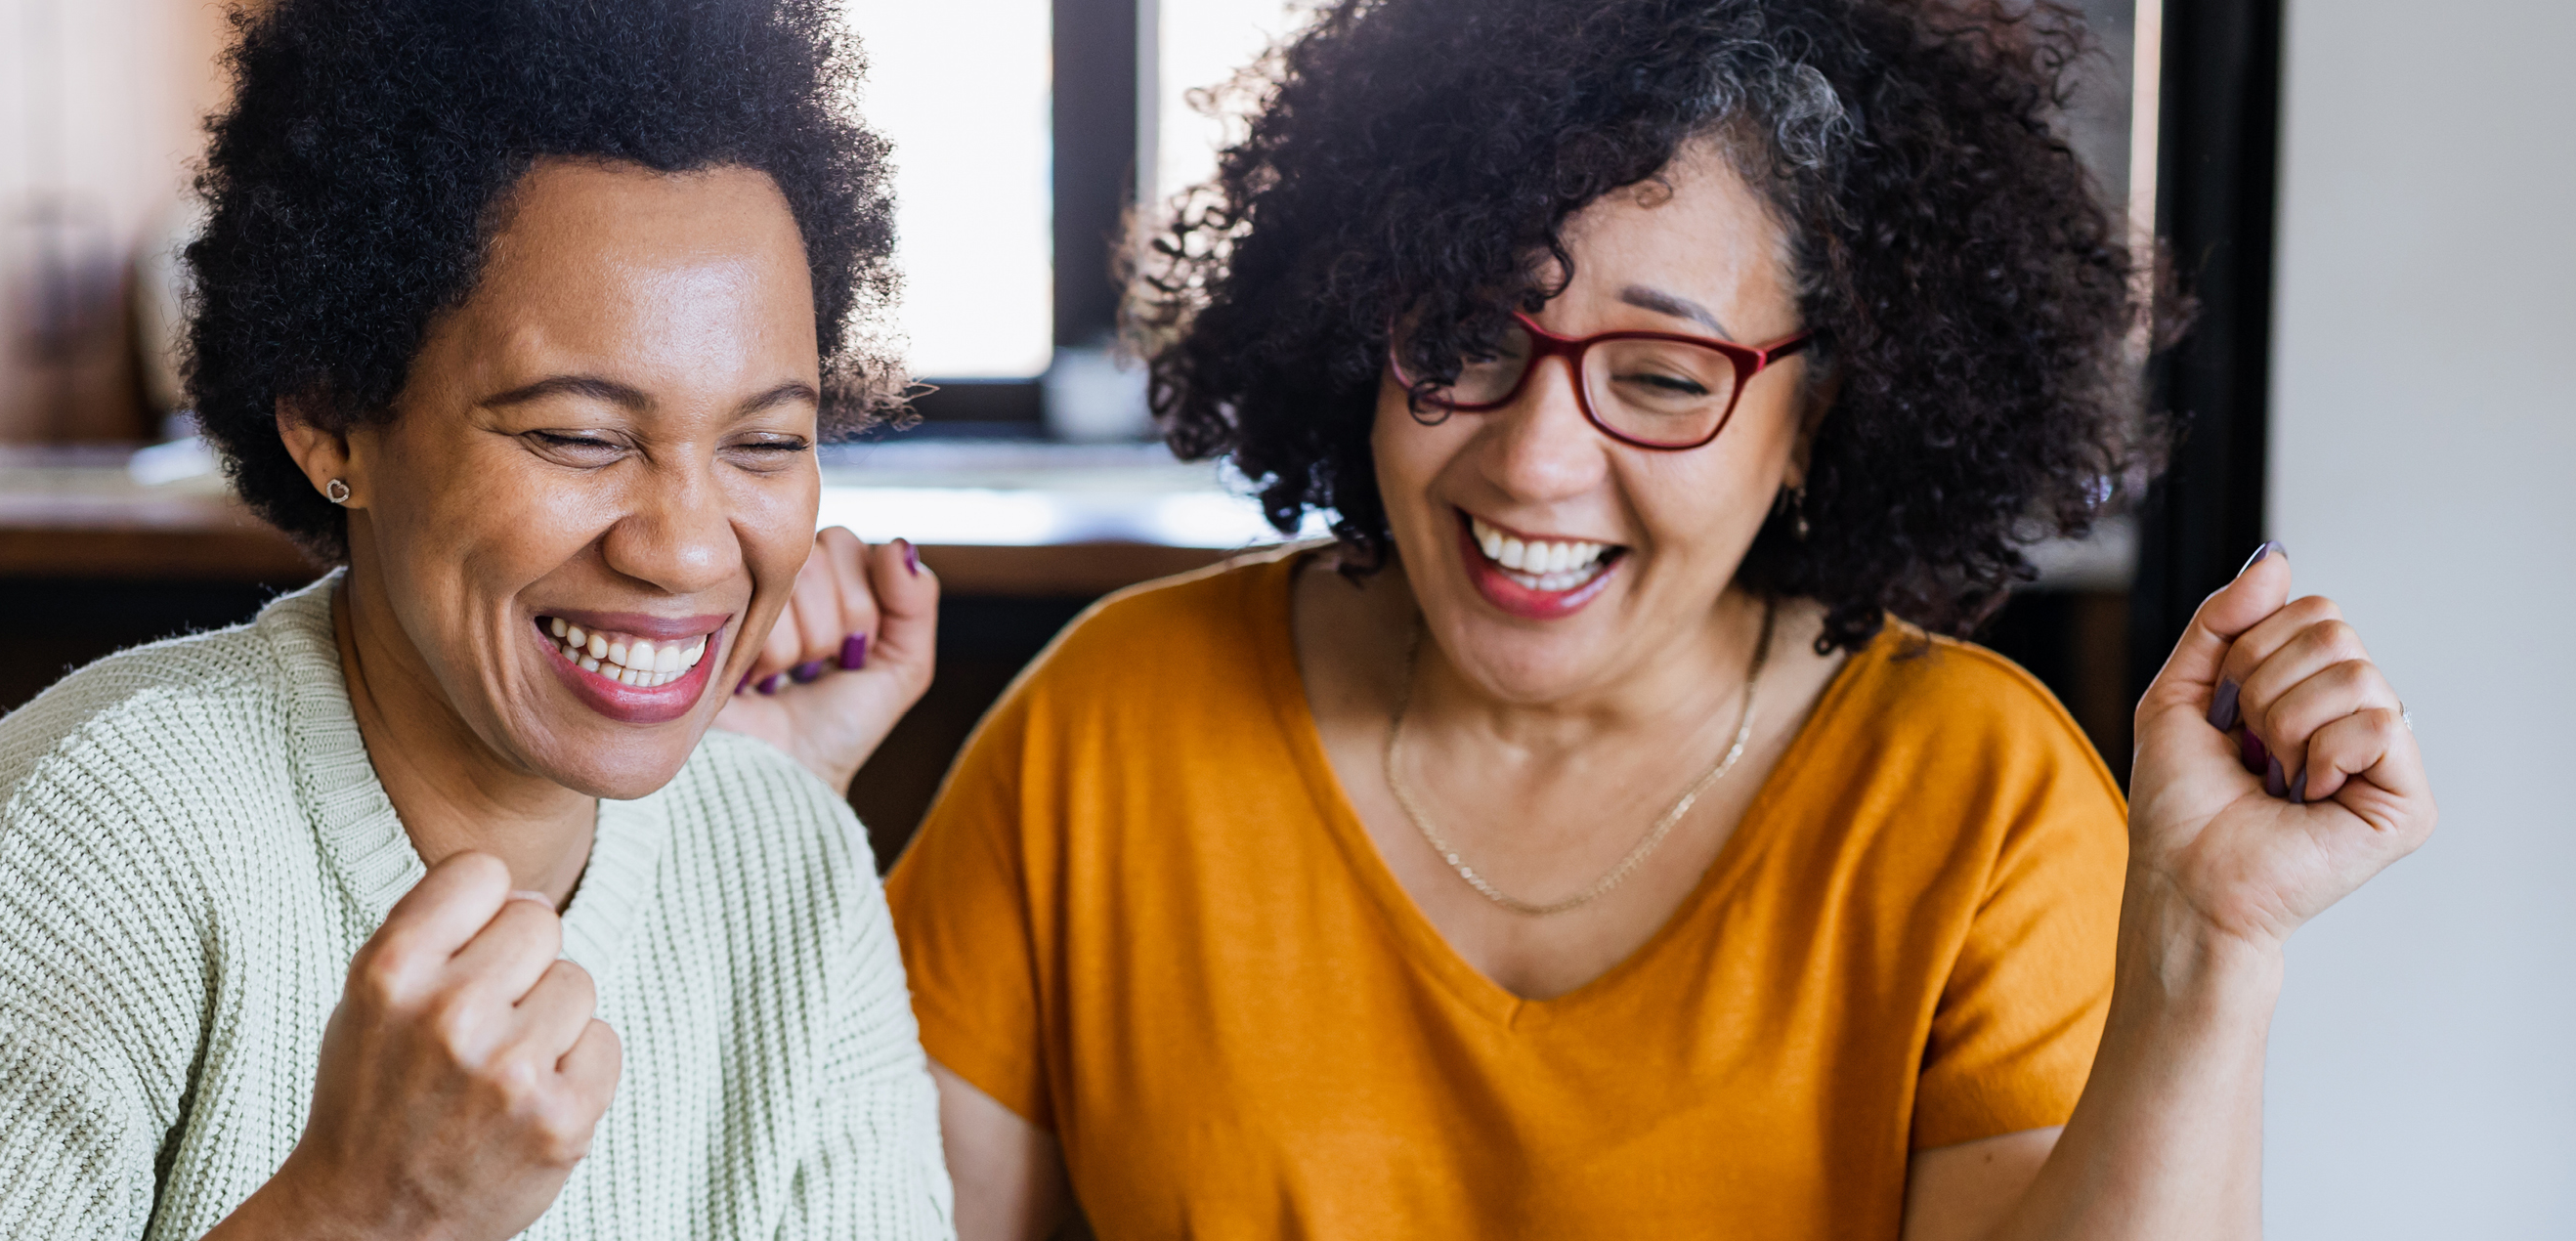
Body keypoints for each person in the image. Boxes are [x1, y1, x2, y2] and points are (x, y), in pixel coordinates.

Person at [880, 0, 2437, 1236]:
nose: (1536, 457)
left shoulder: (1974, 799)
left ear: (1820, 415)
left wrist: (2207, 952)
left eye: (1665, 377)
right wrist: (745, 818)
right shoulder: (1114, 725)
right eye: (1471, 337)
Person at [0, 0, 955, 1236]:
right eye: (577, 435)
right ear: (331, 419)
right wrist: (361, 1211)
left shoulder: (789, 860)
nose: (684, 543)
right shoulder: (113, 830)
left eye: (768, 441)